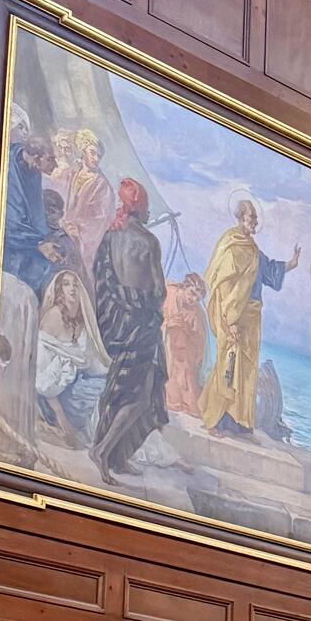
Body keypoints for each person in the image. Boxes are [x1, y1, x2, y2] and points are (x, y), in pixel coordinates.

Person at [91, 178, 174, 483]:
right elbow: (159, 290)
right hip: (142, 324)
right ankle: (102, 451)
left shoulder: (110, 235)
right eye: (148, 206)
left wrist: (124, 301)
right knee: (140, 396)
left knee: (128, 389)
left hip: (119, 322)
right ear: (141, 208)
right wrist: (146, 302)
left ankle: (118, 456)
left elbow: (101, 277)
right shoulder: (149, 241)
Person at [199, 195, 299, 435]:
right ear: (241, 218)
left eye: (255, 217)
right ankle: (214, 418)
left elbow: (268, 270)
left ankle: (235, 420)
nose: (255, 221)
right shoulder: (231, 246)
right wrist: (231, 320)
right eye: (251, 216)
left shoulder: (252, 249)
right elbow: (224, 286)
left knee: (245, 368)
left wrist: (291, 264)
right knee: (228, 365)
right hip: (234, 316)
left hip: (252, 316)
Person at [35, 268, 109, 447]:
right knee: (100, 396)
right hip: (54, 399)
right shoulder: (52, 318)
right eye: (66, 284)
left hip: (77, 388)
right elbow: (42, 380)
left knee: (112, 389)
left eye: (76, 284)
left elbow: (92, 362)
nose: (72, 289)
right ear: (59, 290)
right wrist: (64, 422)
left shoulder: (83, 320)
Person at [1, 131, 59, 295]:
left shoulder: (33, 170)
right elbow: (10, 223)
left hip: (26, 237)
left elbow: (36, 211)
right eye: (50, 159)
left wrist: (44, 238)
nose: (55, 165)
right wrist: (38, 243)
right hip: (9, 242)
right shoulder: (7, 165)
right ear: (35, 158)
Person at [64, 128, 115, 274]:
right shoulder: (71, 175)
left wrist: (78, 230)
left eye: (99, 156)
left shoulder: (103, 186)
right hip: (64, 233)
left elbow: (102, 219)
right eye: (92, 153)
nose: (96, 158)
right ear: (83, 151)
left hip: (84, 243)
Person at [162, 270, 209, 416]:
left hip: (183, 353)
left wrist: (186, 331)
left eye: (198, 298)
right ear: (184, 287)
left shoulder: (196, 313)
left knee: (186, 388)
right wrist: (167, 324)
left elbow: (199, 342)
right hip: (162, 345)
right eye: (192, 293)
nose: (193, 299)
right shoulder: (167, 294)